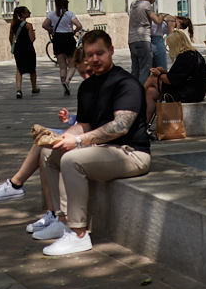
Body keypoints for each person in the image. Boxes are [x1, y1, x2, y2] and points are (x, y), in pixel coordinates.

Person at [35, 29, 152, 256]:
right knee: (49, 154)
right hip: (103, 150)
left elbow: (121, 127)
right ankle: (63, 220)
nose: (94, 59)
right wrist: (62, 138)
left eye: (100, 53)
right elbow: (86, 124)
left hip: (131, 153)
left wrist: (79, 141)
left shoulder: (125, 83)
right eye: (90, 55)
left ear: (111, 51)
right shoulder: (87, 87)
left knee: (71, 160)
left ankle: (79, 235)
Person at [0, 47, 90, 206]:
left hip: (91, 139)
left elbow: (94, 125)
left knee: (45, 149)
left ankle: (17, 184)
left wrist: (73, 135)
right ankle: (50, 212)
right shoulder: (86, 89)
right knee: (43, 144)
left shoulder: (104, 87)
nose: (86, 76)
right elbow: (84, 120)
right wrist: (70, 119)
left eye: (88, 72)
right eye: (82, 73)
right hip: (81, 134)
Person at [144, 28, 206, 123]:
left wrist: (159, 74)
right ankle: (144, 125)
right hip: (194, 91)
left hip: (189, 93)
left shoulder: (185, 57)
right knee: (150, 92)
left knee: (153, 78)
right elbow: (179, 76)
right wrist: (164, 72)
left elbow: (171, 80)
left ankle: (137, 97)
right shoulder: (193, 54)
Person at [42, 0, 83, 96]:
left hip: (57, 40)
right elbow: (79, 25)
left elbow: (44, 25)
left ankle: (64, 89)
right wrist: (73, 31)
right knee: (72, 65)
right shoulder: (69, 14)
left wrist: (53, 30)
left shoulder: (51, 14)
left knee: (62, 67)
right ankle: (67, 82)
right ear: (66, 4)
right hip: (68, 39)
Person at [128, 0, 169, 87]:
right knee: (145, 70)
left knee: (135, 70)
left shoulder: (133, 3)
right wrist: (162, 16)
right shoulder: (146, 5)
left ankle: (132, 92)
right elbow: (157, 21)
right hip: (143, 40)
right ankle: (142, 94)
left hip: (132, 40)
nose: (153, 2)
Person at [9, 6, 38, 98]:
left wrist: (13, 46)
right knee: (32, 69)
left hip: (18, 49)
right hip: (28, 49)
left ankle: (19, 89)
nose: (29, 13)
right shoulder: (28, 25)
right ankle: (34, 88)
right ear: (23, 14)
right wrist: (33, 33)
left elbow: (10, 37)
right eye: (27, 11)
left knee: (19, 69)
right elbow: (31, 39)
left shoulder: (13, 24)